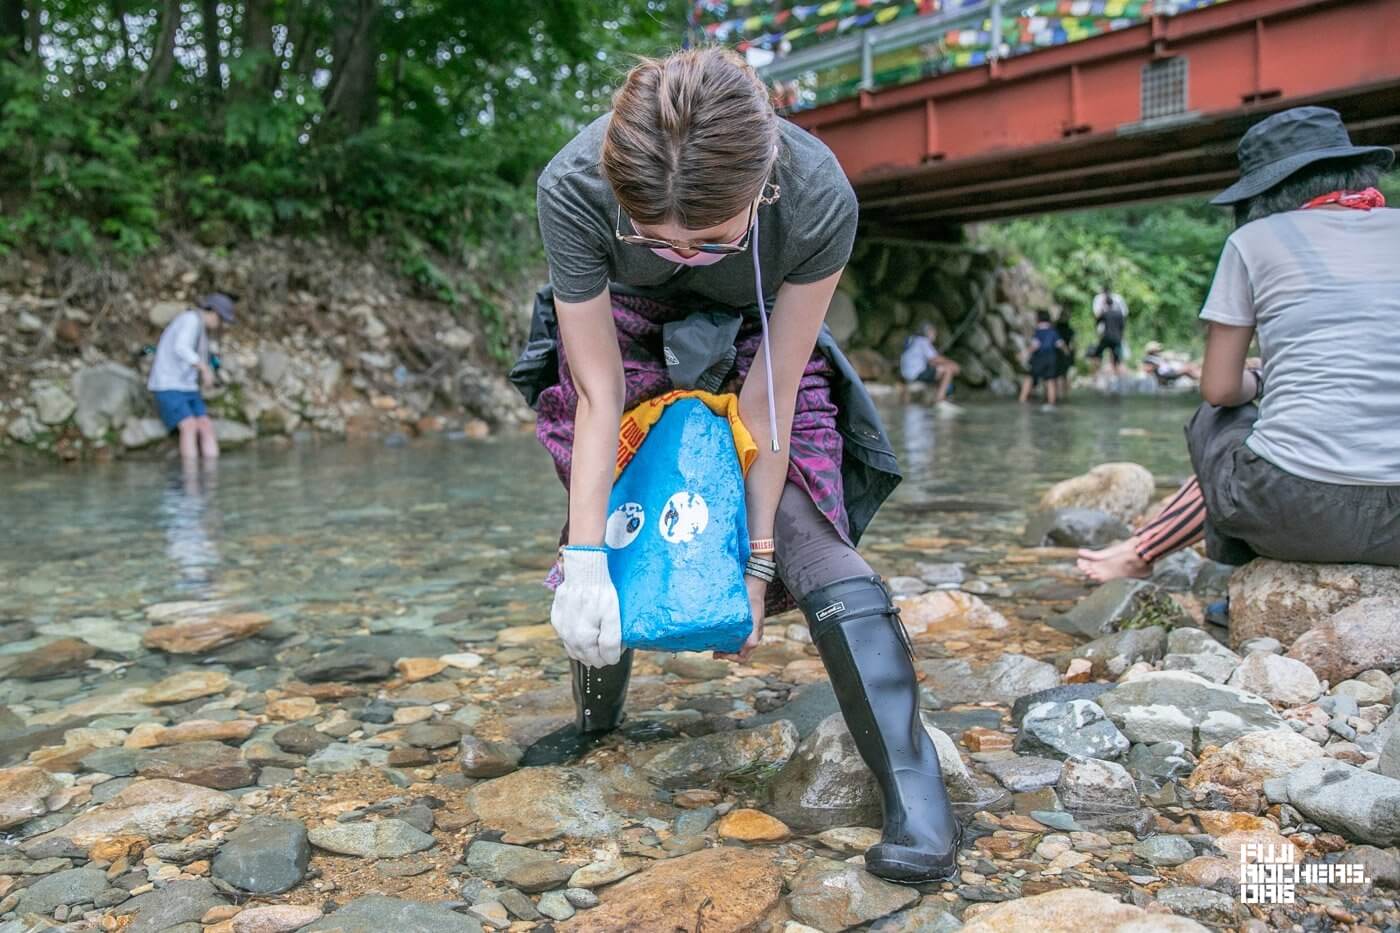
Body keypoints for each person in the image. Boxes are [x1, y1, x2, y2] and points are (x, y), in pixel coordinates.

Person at [507, 48, 961, 882]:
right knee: (618, 512)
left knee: (797, 523)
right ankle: (596, 720)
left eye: (711, 239)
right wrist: (581, 563)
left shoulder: (818, 194)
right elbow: (600, 394)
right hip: (626, 328)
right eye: (656, 238)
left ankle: (917, 797)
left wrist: (754, 564)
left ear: (762, 188)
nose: (684, 254)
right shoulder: (573, 188)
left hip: (760, 336)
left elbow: (771, 400)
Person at [1078, 106, 1400, 584]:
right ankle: (1143, 550)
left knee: (1221, 417)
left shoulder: (1254, 240)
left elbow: (1219, 389)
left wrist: (1264, 379)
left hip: (1297, 518)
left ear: (1265, 191)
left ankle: (1160, 554)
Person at [147, 293, 235, 462]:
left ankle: (211, 473)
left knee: (206, 425)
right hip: (168, 385)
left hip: (187, 387)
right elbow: (181, 347)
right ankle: (191, 475)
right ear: (213, 312)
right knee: (189, 426)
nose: (220, 325)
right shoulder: (190, 320)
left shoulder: (200, 327)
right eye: (221, 319)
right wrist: (204, 369)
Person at [899, 321, 961, 405]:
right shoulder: (923, 341)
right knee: (948, 370)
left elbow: (931, 362)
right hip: (915, 374)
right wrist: (952, 363)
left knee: (940, 370)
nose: (934, 335)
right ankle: (939, 399)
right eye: (933, 332)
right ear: (928, 332)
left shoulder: (912, 339)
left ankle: (942, 396)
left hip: (906, 374)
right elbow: (935, 359)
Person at [1019, 310, 1066, 405]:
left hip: (1040, 358)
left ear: (1038, 319)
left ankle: (1022, 399)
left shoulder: (1039, 331)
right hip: (1052, 358)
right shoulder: (1053, 331)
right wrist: (1066, 353)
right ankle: (1051, 402)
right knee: (1050, 380)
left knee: (1030, 377)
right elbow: (1061, 345)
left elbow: (1035, 345)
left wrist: (1024, 353)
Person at [1088, 282, 1127, 376]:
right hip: (1117, 338)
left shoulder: (1105, 313)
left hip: (1106, 337)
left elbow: (1097, 320)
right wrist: (1121, 337)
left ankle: (1095, 376)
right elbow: (1122, 327)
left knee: (1096, 355)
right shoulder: (1119, 314)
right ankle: (1118, 378)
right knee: (1117, 359)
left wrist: (1102, 308)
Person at [1053, 312, 1075, 399]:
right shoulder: (1070, 330)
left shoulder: (1055, 329)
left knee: (1056, 375)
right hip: (1067, 354)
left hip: (1056, 354)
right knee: (1065, 375)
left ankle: (1058, 394)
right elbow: (1073, 344)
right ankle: (1066, 395)